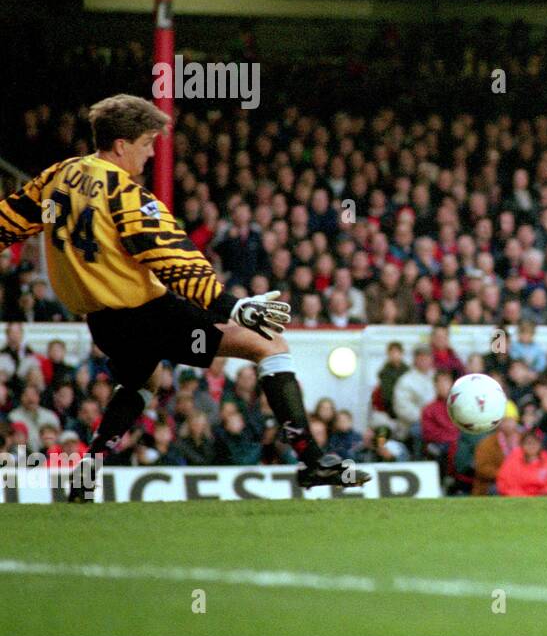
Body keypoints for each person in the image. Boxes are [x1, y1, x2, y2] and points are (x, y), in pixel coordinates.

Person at [0, 95, 370, 501]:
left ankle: (87, 473)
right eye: (146, 143)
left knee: (144, 380)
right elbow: (175, 262)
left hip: (103, 323)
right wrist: (233, 306)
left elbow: (8, 221)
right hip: (147, 313)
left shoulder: (58, 176)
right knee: (270, 346)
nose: (151, 153)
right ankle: (312, 461)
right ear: (121, 145)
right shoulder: (125, 195)